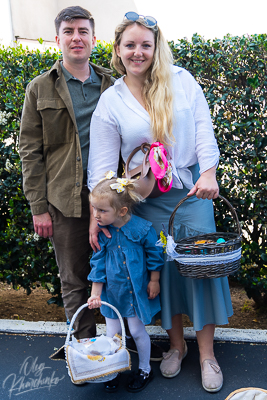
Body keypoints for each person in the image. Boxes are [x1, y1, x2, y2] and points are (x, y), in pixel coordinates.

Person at [87, 12, 233, 393]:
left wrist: (209, 173)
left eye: (145, 45)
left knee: (200, 273)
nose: (138, 52)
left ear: (156, 47)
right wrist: (96, 215)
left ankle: (206, 355)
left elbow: (203, 128)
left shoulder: (181, 80)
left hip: (191, 194)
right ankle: (176, 346)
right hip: (143, 201)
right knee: (162, 275)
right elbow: (102, 166)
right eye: (130, 45)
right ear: (117, 51)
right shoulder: (111, 101)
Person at [19, 6, 114, 341]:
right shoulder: (39, 88)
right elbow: (30, 151)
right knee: (74, 279)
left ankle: (121, 344)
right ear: (57, 38)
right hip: (64, 201)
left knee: (118, 273)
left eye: (83, 31)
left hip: (112, 201)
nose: (77, 38)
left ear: (93, 38)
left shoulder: (112, 86)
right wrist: (38, 207)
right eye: (69, 32)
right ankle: (86, 347)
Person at [87, 174, 164, 392]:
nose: (96, 215)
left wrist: (154, 280)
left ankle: (145, 369)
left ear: (122, 211)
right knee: (112, 336)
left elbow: (154, 253)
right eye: (94, 209)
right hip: (113, 294)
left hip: (135, 293)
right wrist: (96, 294)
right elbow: (98, 264)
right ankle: (114, 369)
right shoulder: (104, 233)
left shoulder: (141, 229)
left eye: (102, 210)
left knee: (137, 332)